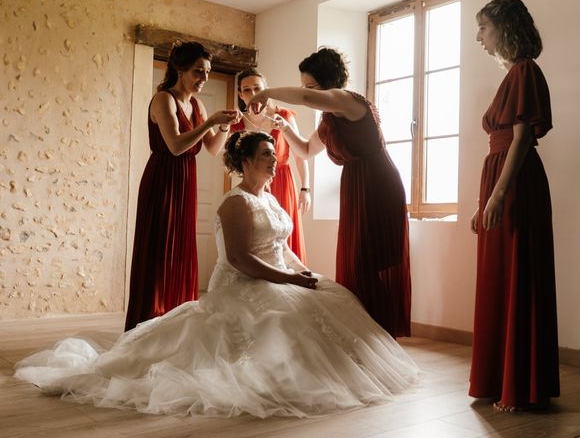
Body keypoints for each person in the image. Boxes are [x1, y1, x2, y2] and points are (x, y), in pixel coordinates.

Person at [14, 131, 419, 418]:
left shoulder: (274, 201)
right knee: (281, 320)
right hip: (243, 286)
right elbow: (242, 259)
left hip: (276, 276)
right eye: (265, 156)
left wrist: (302, 271)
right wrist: (290, 281)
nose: (273, 164)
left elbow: (283, 249)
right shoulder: (236, 203)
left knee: (334, 298)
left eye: (272, 157)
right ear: (245, 161)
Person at [248, 48, 411, 338]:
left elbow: (307, 99)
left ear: (328, 83)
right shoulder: (330, 118)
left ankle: (380, 333)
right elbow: (306, 150)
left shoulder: (346, 100)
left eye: (309, 86)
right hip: (356, 185)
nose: (305, 92)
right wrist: (284, 127)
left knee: (369, 260)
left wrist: (266, 93)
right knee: (355, 262)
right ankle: (363, 332)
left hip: (377, 183)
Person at [468, 0, 559, 412]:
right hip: (502, 175)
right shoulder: (513, 75)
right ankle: (500, 378)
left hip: (516, 181)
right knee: (500, 275)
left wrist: (499, 193)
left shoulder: (524, 71)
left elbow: (521, 139)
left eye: (484, 28)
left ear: (504, 28)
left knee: (517, 271)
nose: (479, 37)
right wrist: (483, 198)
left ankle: (519, 385)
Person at [124, 41, 240, 331]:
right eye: (198, 71)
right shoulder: (164, 99)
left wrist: (223, 126)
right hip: (162, 180)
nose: (204, 78)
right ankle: (149, 322)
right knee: (160, 252)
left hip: (186, 181)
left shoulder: (198, 104)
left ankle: (177, 323)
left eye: (208, 72)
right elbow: (175, 146)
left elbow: (212, 148)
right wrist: (209, 121)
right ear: (180, 69)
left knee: (181, 251)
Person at [232, 68, 309, 263]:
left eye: (257, 88)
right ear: (241, 95)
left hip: (282, 181)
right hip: (252, 186)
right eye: (246, 89)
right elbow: (232, 159)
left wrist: (305, 188)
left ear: (266, 90)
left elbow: (300, 154)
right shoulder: (238, 123)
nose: (252, 93)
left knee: (284, 238)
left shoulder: (283, 115)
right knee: (256, 238)